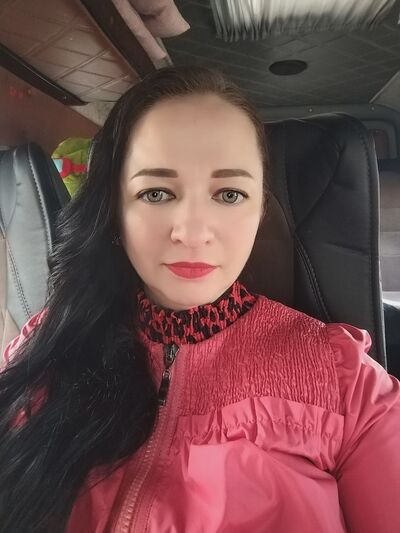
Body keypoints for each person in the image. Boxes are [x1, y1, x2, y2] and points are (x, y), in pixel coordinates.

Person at [0, 66, 399, 533]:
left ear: (260, 209)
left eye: (229, 194)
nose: (191, 233)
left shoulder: (347, 383)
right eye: (156, 192)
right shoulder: (44, 346)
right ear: (115, 209)